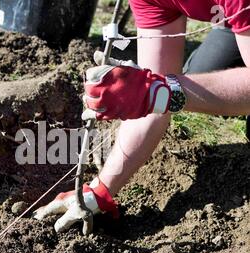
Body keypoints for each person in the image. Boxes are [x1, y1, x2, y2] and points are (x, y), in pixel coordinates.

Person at [33, 0, 250, 233]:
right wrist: (101, 189)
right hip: (230, 17)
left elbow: (160, 93)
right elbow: (153, 105)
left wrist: (162, 92)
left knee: (198, 90)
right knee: (197, 79)